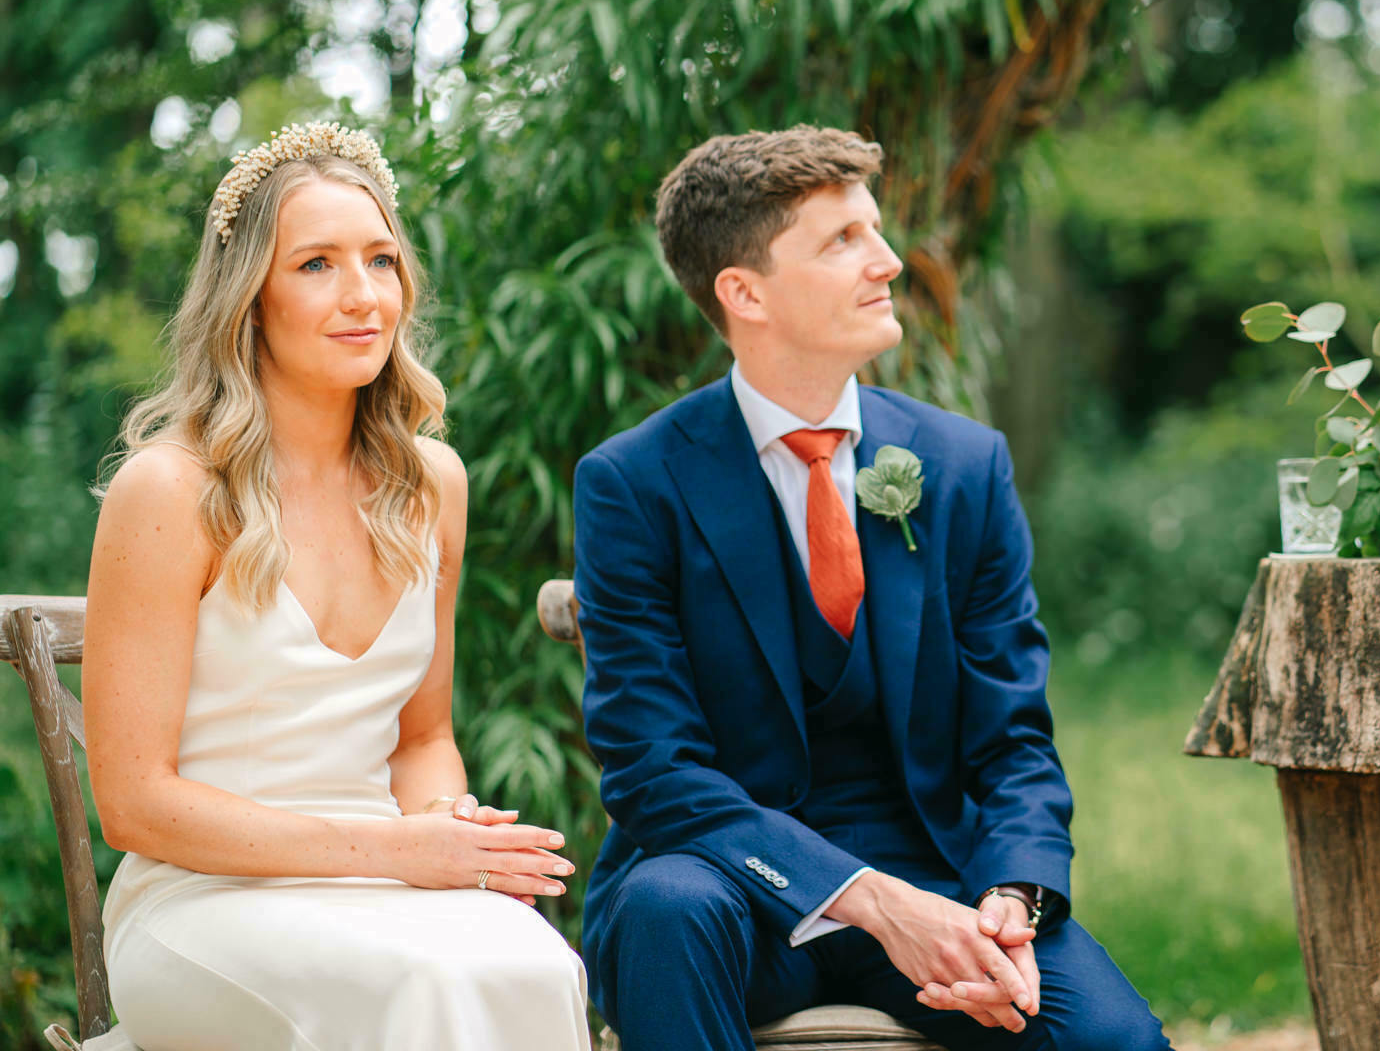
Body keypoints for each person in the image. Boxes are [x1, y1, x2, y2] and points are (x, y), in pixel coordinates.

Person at [573, 125, 1172, 1050]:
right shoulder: (635, 483)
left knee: (1110, 1042)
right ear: (745, 293)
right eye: (842, 240)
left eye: (875, 230)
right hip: (730, 886)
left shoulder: (964, 466)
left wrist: (1008, 900)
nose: (888, 260)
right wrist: (874, 904)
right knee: (663, 910)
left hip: (940, 878)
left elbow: (1012, 738)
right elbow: (656, 771)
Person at [84, 122, 588, 1051]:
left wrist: (449, 825)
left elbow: (424, 737)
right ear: (250, 301)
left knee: (538, 965)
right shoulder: (170, 490)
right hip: (201, 898)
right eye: (316, 264)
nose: (364, 297)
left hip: (384, 879)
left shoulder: (432, 483)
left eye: (382, 261)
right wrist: (401, 850)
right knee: (425, 985)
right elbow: (134, 802)